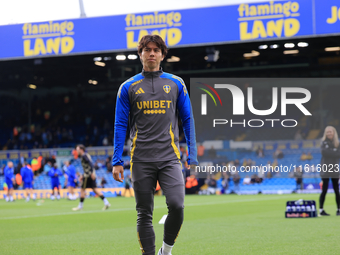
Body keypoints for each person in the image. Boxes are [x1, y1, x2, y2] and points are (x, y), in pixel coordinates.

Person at [111, 35, 198, 255]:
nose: (151, 53)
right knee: (144, 213)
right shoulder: (127, 87)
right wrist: (117, 160)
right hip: (140, 159)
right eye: (147, 49)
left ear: (162, 54)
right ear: (140, 54)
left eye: (156, 50)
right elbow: (120, 124)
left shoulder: (176, 83)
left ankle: (166, 251)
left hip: (170, 158)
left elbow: (188, 119)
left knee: (177, 206)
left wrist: (193, 155)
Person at [72, 144, 111, 211]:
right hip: (89, 174)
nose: (76, 151)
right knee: (95, 189)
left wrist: (91, 173)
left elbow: (90, 163)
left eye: (77, 149)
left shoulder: (84, 156)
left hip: (88, 175)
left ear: (81, 150)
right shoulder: (85, 155)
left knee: (82, 190)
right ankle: (106, 202)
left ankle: (80, 206)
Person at [319, 126, 340, 216]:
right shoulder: (323, 143)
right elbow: (325, 153)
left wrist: (331, 152)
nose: (329, 133)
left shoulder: (338, 143)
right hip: (325, 169)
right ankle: (321, 210)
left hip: (335, 169)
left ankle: (339, 209)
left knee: (337, 190)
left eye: (330, 132)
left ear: (334, 133)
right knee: (324, 190)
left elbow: (338, 154)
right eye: (327, 132)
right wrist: (334, 152)